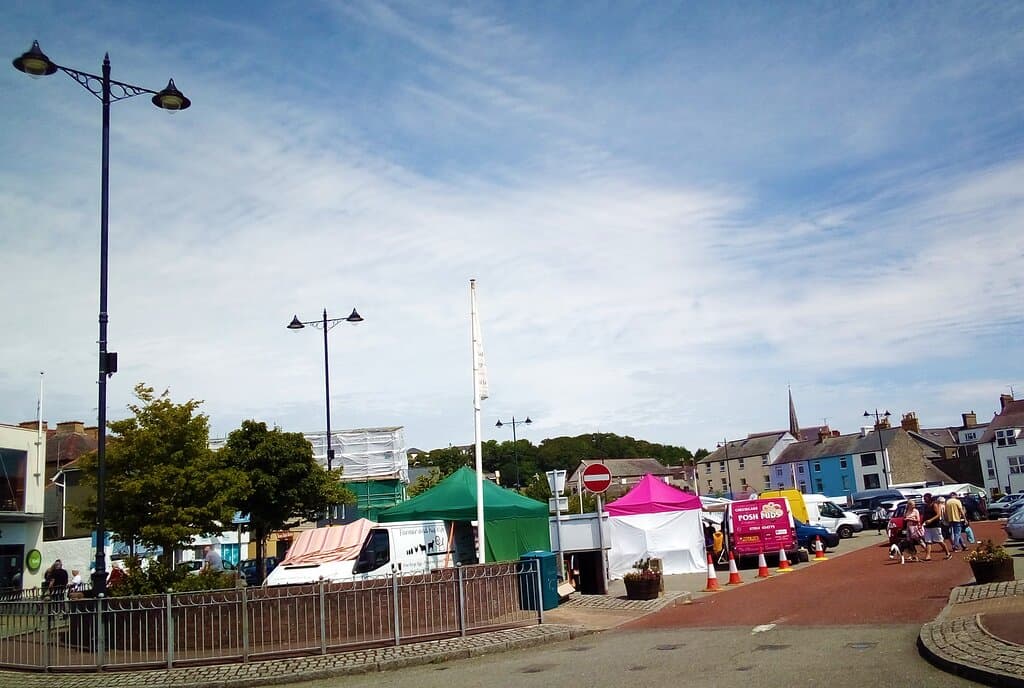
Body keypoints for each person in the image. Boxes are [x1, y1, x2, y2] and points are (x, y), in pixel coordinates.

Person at [920, 494, 951, 561]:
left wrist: (931, 520)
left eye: (926, 498)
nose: (924, 499)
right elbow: (924, 515)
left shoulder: (934, 505)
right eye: (924, 498)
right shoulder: (925, 506)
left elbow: (938, 514)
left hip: (935, 526)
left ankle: (948, 553)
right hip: (927, 526)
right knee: (928, 541)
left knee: (939, 541)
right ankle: (928, 556)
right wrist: (921, 523)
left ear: (929, 498)